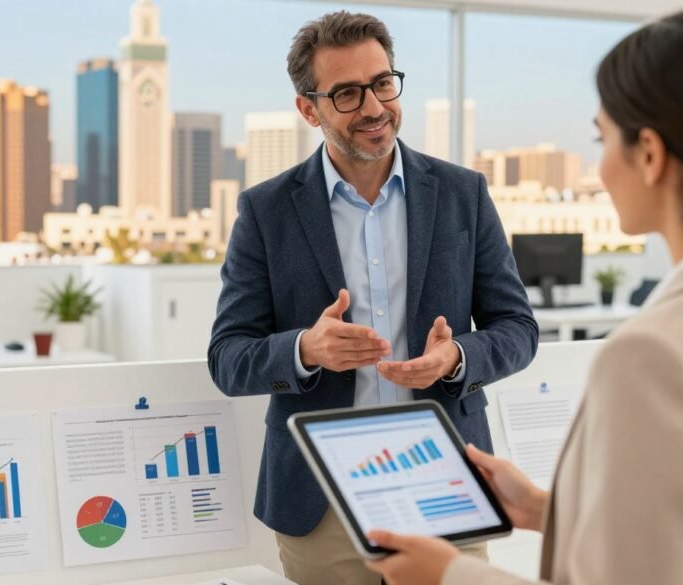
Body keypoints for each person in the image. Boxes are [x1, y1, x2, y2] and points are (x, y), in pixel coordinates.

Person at [366, 9, 683, 585]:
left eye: (601, 138)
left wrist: (448, 575)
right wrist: (541, 508)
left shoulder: (655, 359)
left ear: (651, 155)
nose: (600, 166)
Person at [207, 11, 540, 585]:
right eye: (347, 93)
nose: (374, 106)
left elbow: (517, 328)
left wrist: (455, 357)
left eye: (383, 83)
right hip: (321, 499)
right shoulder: (266, 212)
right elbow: (227, 358)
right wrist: (306, 349)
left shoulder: (464, 194)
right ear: (308, 109)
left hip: (444, 484)